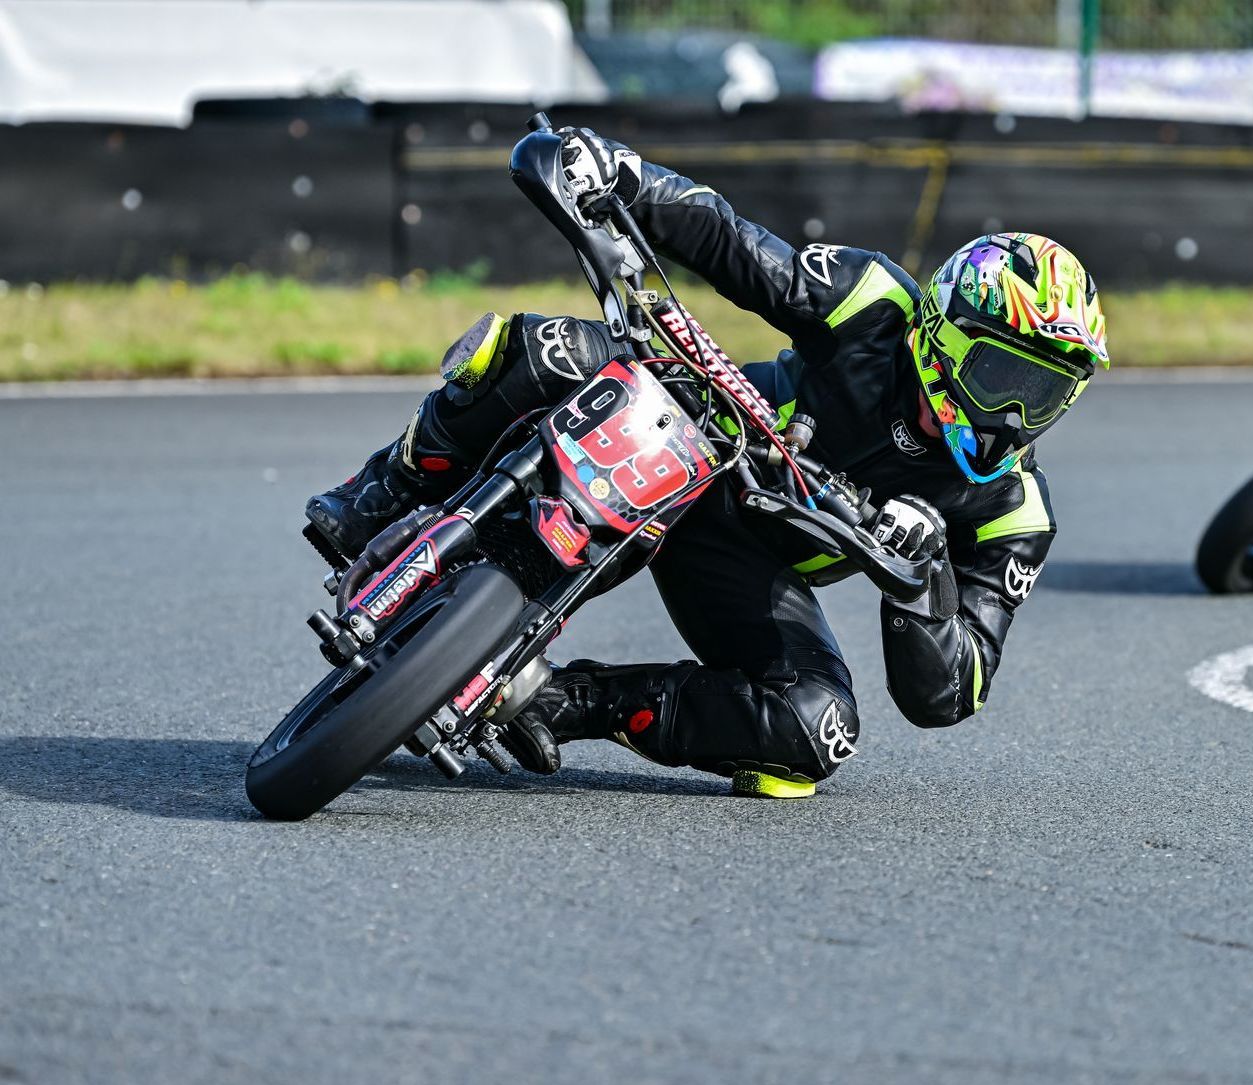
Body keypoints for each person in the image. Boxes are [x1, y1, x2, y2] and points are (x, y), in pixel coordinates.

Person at [305, 128, 1108, 797]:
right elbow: (733, 244)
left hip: (748, 558)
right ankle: (384, 491)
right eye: (1002, 375)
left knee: (815, 730)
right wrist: (619, 174)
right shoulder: (872, 304)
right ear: (943, 336)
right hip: (695, 430)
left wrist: (920, 585)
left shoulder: (1014, 511)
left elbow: (951, 693)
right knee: (553, 349)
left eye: (1042, 393)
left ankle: (559, 700)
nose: (1012, 413)